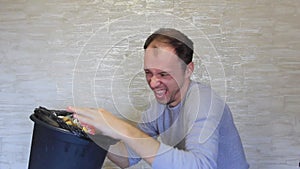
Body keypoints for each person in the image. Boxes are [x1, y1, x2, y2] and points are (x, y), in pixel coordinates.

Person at [68, 28, 249, 169]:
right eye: (148, 73)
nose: (153, 83)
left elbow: (200, 165)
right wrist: (97, 135)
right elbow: (127, 157)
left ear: (188, 70)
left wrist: (121, 128)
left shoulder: (204, 100)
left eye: (163, 74)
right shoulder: (158, 108)